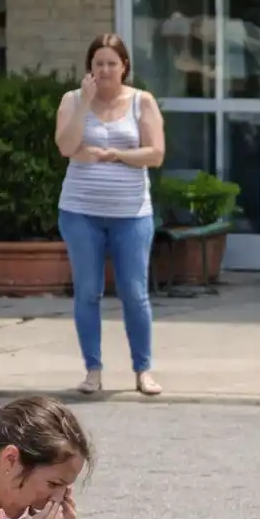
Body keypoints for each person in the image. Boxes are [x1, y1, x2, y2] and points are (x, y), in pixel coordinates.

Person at [55, 33, 165, 397]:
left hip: (131, 213)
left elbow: (155, 154)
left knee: (135, 292)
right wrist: (85, 105)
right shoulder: (73, 100)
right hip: (80, 211)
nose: (104, 70)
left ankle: (143, 370)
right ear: (90, 67)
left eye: (111, 63)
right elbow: (67, 146)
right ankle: (93, 370)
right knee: (88, 292)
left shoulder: (141, 102)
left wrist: (116, 155)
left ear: (124, 67)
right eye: (98, 63)